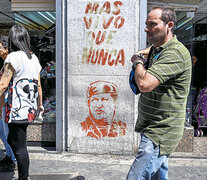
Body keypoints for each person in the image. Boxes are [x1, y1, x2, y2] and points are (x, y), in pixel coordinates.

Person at [127, 6, 192, 179]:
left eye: (152, 24)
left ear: (169, 25)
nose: (146, 28)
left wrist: (137, 62)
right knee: (159, 175)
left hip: (160, 132)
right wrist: (141, 54)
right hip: (152, 125)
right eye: (146, 24)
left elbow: (145, 84)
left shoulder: (175, 53)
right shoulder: (158, 47)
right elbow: (148, 51)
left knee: (136, 177)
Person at [0, 24, 44, 180]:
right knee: (16, 142)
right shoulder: (33, 57)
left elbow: (3, 85)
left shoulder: (13, 57)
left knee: (18, 145)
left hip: (17, 108)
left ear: (12, 40)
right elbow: (38, 84)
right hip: (29, 108)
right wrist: (40, 104)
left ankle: (24, 178)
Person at [0, 40, 16, 172]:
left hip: (7, 103)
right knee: (2, 130)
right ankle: (10, 155)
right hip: (3, 104)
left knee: (7, 132)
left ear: (6, 47)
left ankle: (13, 159)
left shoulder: (10, 62)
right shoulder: (5, 62)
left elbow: (4, 85)